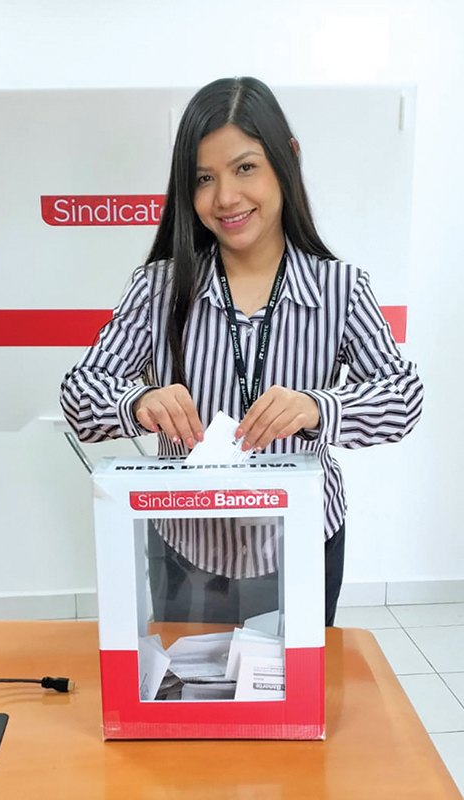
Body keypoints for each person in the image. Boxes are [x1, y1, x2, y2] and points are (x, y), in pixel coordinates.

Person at [60, 77, 423, 627]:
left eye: (245, 167)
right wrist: (138, 402)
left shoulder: (341, 289)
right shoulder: (159, 289)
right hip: (187, 551)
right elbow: (79, 394)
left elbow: (404, 398)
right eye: (204, 178)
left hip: (301, 545)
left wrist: (317, 407)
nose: (225, 197)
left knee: (294, 685)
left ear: (287, 158)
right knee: (188, 678)